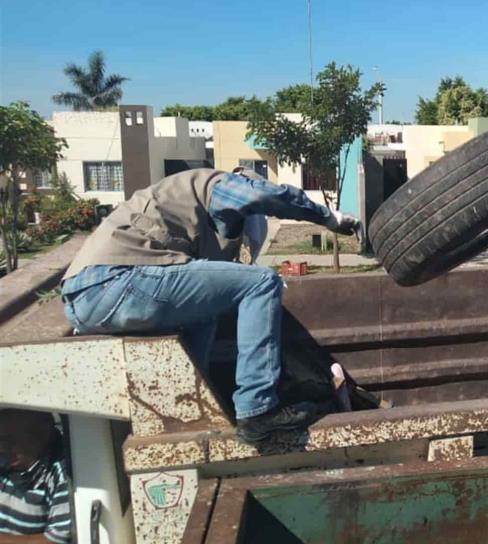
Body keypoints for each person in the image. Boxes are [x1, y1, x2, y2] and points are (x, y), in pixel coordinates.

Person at [60, 168, 361, 443]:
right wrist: (327, 218)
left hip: (90, 299)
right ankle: (257, 410)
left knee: (206, 312)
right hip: (114, 281)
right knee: (262, 282)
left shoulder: (193, 223)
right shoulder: (217, 184)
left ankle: (197, 407)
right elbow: (262, 195)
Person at [0, 409, 72, 543]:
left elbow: (57, 541)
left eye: (9, 441)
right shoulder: (6, 458)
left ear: (42, 433)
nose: (2, 449)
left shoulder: (64, 474)